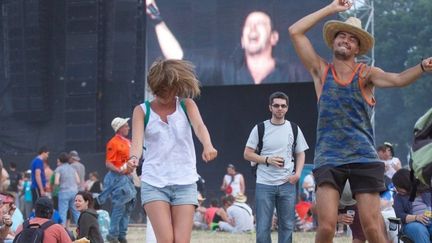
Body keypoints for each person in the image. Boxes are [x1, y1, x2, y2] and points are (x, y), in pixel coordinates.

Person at [289, 0, 432, 242]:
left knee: (372, 229)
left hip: (363, 157)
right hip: (329, 157)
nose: (345, 40)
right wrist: (331, 9)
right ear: (333, 42)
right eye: (341, 36)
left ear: (357, 49)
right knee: (325, 227)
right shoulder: (321, 71)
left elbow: (397, 79)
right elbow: (295, 31)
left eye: (351, 39)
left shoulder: (367, 74)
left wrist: (422, 67)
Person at [126, 59, 218, 243]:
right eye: (158, 91)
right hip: (154, 182)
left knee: (181, 241)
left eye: (166, 91)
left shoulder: (187, 105)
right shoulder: (142, 111)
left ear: (176, 87)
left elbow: (199, 126)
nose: (162, 95)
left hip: (185, 181)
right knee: (166, 240)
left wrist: (208, 145)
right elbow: (136, 142)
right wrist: (133, 159)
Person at [145, 0, 309, 85]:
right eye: (248, 25)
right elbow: (180, 58)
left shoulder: (293, 73)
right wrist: (157, 20)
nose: (252, 29)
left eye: (259, 24)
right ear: (242, 40)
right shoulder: (226, 71)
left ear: (274, 37)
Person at [244, 91, 309, 243]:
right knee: (262, 227)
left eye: (283, 106)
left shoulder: (294, 128)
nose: (280, 108)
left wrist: (298, 173)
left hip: (287, 183)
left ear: (287, 108)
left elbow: (301, 153)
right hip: (264, 183)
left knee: (287, 226)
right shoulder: (260, 128)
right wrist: (267, 159)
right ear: (270, 107)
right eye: (276, 105)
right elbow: (247, 154)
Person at [96, 117, 136, 243]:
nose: (128, 127)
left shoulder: (127, 141)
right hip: (118, 177)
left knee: (128, 205)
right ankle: (113, 235)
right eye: (126, 125)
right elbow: (108, 163)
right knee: (119, 206)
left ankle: (121, 235)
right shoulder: (113, 143)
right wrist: (120, 170)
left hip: (127, 177)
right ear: (119, 128)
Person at [392, 168, 431, 243]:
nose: (396, 189)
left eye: (398, 186)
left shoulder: (426, 190)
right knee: (419, 229)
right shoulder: (398, 197)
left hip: (429, 219)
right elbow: (399, 215)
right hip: (413, 223)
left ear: (406, 183)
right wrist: (417, 217)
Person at [54, 152, 80, 226]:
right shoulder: (72, 168)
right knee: (76, 211)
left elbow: (56, 182)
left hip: (64, 192)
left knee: (63, 212)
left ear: (60, 160)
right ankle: (81, 228)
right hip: (74, 191)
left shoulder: (59, 169)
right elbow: (78, 181)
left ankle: (63, 230)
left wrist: (56, 188)